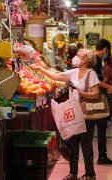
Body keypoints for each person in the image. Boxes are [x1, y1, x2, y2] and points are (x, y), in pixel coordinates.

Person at [31, 49, 99, 180]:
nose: (75, 58)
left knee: (86, 145)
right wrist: (41, 69)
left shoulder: (91, 74)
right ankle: (73, 173)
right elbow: (56, 76)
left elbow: (96, 93)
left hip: (86, 115)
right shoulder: (74, 72)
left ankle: (90, 174)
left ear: (85, 60)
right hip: (73, 114)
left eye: (78, 56)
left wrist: (82, 93)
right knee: (72, 144)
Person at [94, 39, 112, 165]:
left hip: (93, 98)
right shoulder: (96, 61)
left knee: (92, 128)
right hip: (96, 99)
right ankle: (102, 156)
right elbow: (94, 81)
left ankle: (102, 156)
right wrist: (108, 87)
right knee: (101, 127)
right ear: (105, 49)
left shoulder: (93, 60)